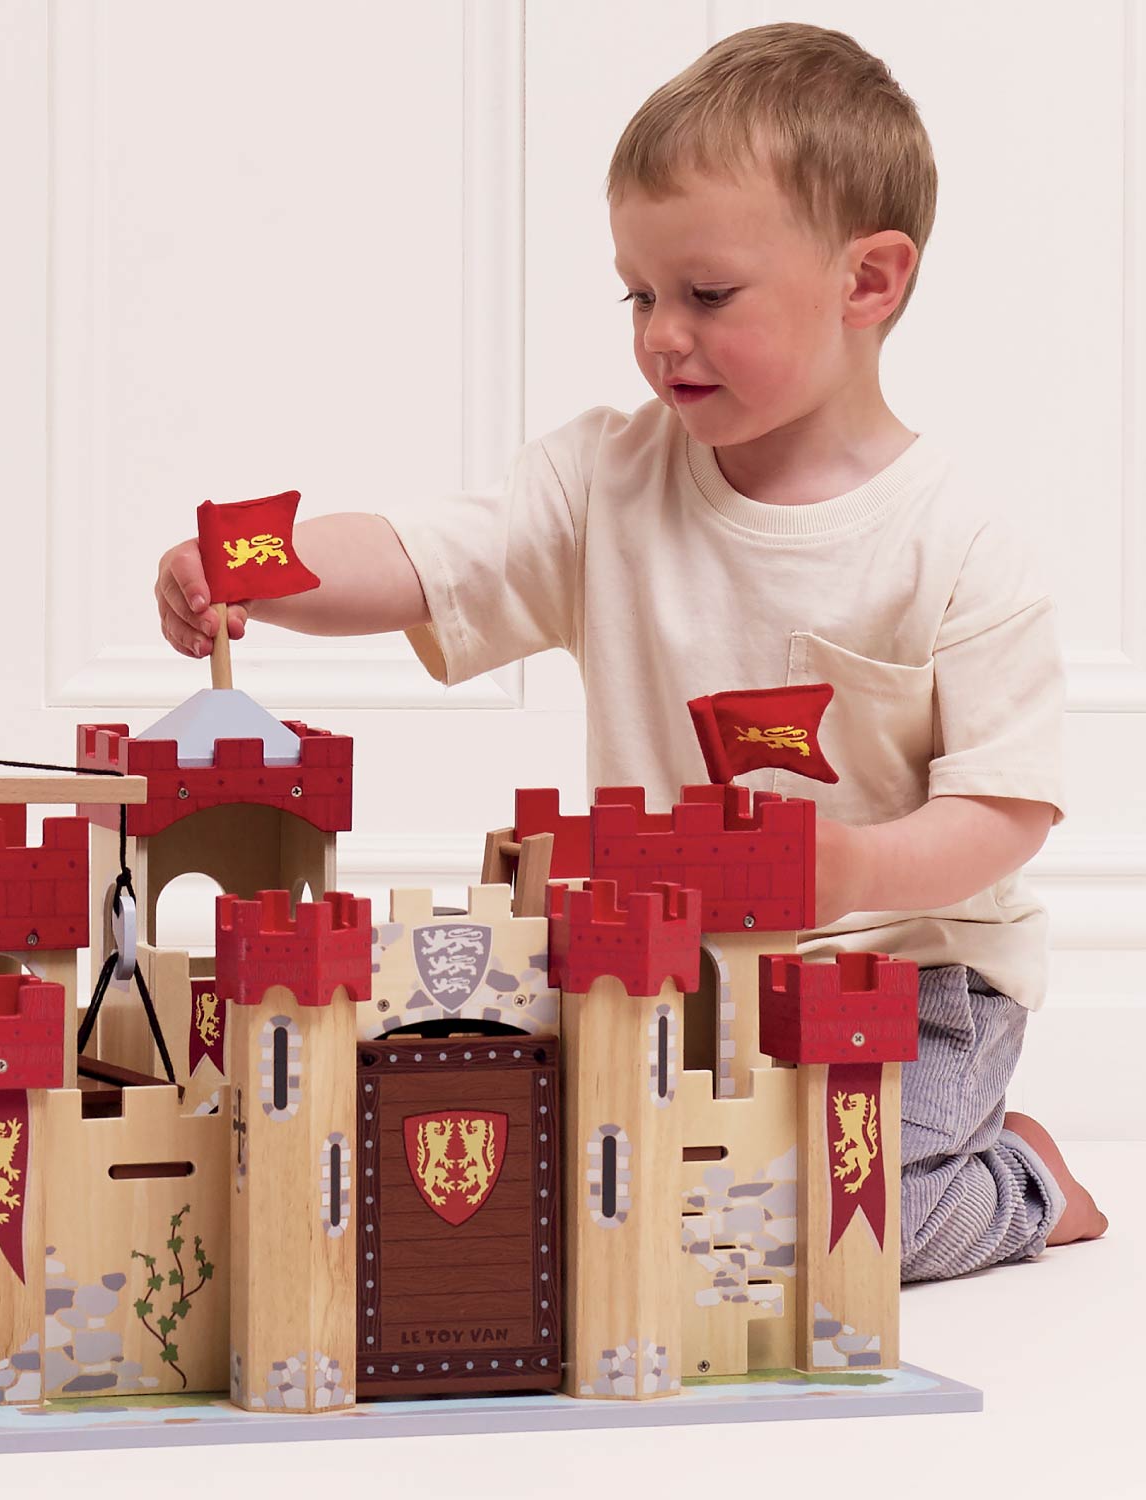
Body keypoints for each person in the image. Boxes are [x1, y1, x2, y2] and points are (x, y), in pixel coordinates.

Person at [154, 22, 1107, 1279]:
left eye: (707, 296)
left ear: (868, 282)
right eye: (639, 295)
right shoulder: (605, 481)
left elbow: (1005, 808)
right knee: (581, 1191)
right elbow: (426, 555)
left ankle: (1022, 1178)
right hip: (662, 967)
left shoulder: (957, 545)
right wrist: (253, 565)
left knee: (846, 1232)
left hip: (907, 977)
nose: (661, 333)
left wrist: (857, 869)